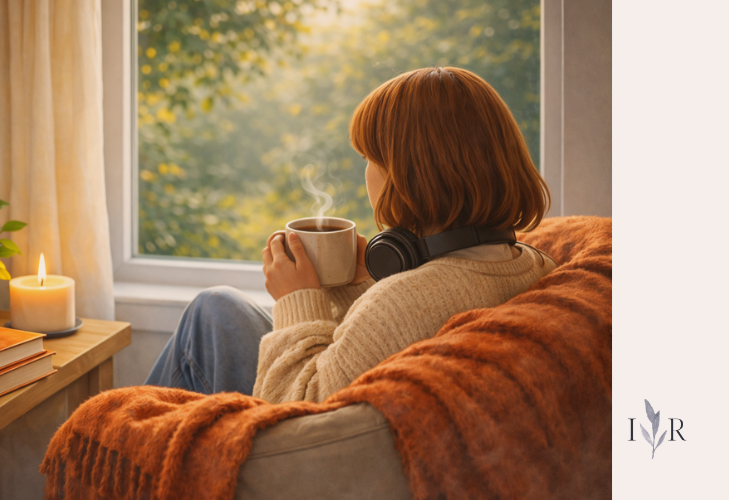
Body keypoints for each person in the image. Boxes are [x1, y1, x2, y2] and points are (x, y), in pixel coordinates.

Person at [145, 67, 557, 404]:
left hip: (292, 455)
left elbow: (295, 417)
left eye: (369, 159)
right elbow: (377, 345)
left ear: (409, 176)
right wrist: (363, 281)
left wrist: (295, 299)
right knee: (218, 306)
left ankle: (119, 443)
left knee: (207, 316)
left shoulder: (402, 301)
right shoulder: (530, 262)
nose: (367, 173)